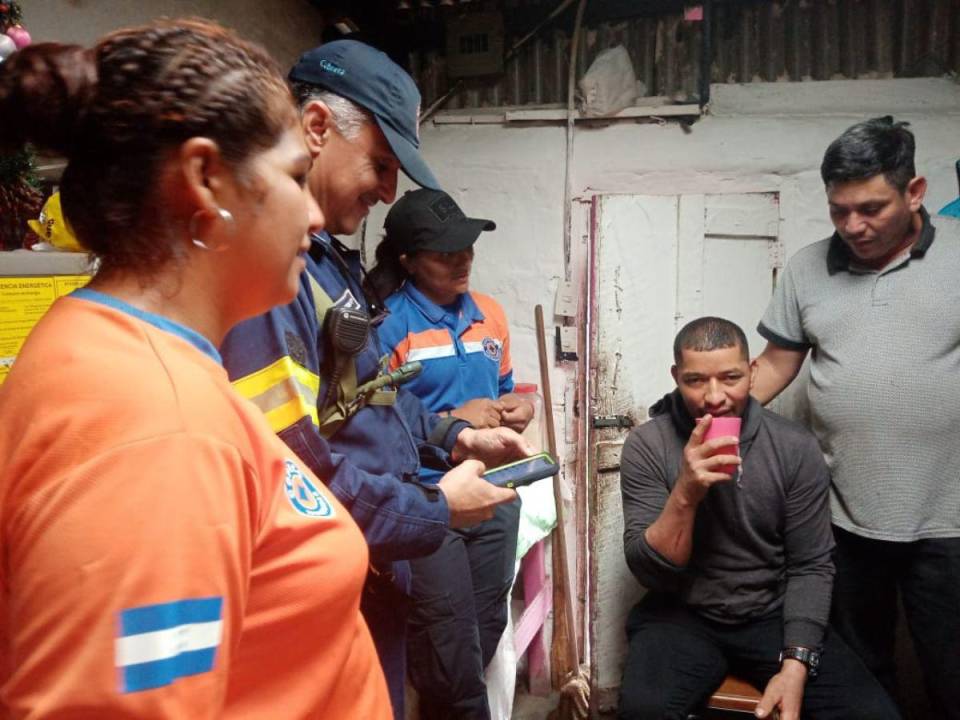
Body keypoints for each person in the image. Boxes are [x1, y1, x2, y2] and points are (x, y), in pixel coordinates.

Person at [0, 20, 390, 719]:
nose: (311, 214)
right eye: (296, 176)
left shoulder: (117, 352)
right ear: (205, 179)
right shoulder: (159, 428)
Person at [219, 40, 528, 718]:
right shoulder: (270, 279)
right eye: (381, 164)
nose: (389, 192)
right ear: (319, 129)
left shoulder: (326, 265)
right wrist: (436, 510)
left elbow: (373, 394)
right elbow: (292, 475)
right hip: (326, 578)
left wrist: (451, 434)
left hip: (369, 564)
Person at [752, 117, 960, 717]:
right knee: (860, 680)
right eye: (839, 210)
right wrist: (702, 414)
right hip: (846, 519)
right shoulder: (807, 268)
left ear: (914, 191)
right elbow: (773, 365)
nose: (852, 226)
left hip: (949, 523)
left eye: (870, 209)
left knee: (953, 674)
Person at [618, 317, 899, 720]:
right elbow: (649, 570)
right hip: (681, 612)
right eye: (696, 381)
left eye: (730, 377)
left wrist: (795, 664)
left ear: (751, 374)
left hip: (771, 611)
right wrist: (685, 492)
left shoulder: (793, 447)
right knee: (643, 710)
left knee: (874, 714)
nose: (714, 396)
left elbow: (811, 565)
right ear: (676, 377)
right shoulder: (649, 444)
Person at [371, 188, 532, 718]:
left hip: (491, 486)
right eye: (445, 254)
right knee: (447, 642)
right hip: (429, 494)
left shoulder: (490, 314)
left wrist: (513, 407)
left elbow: (505, 386)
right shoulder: (387, 325)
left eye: (466, 247)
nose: (462, 260)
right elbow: (381, 423)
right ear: (408, 262)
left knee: (484, 624)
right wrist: (457, 418)